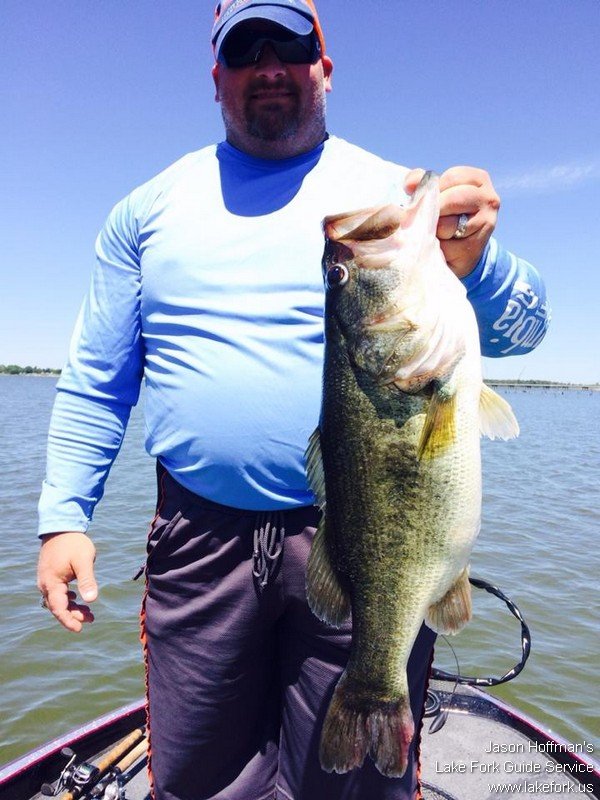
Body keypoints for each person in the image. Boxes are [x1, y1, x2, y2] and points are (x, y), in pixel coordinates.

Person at [36, 1, 550, 799]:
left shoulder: (397, 198)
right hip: (198, 540)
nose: (270, 64)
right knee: (199, 776)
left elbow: (527, 330)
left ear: (326, 67)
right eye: (246, 48)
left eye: (292, 44)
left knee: (353, 783)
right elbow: (98, 379)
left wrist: (477, 261)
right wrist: (64, 515)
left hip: (360, 535)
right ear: (217, 78)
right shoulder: (144, 211)